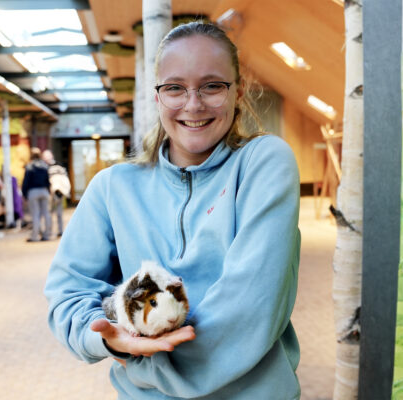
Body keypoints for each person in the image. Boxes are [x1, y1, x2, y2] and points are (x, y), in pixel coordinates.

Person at [44, 21, 301, 399]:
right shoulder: (112, 187)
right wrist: (112, 340)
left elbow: (250, 307)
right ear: (158, 96)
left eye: (212, 86)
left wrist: (149, 364)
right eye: (175, 88)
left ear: (238, 92)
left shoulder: (264, 162)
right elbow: (68, 293)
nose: (193, 104)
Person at [22, 147, 52, 242]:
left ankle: (35, 236)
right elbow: (48, 181)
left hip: (33, 192)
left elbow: (26, 182)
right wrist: (48, 191)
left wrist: (25, 194)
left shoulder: (29, 166)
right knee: (46, 213)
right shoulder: (44, 166)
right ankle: (47, 235)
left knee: (35, 214)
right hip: (44, 191)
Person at [42, 149, 71, 237]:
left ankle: (54, 231)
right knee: (56, 212)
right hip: (57, 192)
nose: (46, 159)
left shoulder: (48, 167)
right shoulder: (58, 165)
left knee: (52, 212)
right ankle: (57, 230)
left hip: (54, 192)